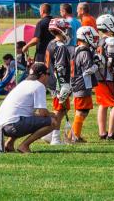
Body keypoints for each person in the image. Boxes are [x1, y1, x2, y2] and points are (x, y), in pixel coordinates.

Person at [0, 62, 61, 154]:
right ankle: (24, 146)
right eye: (48, 74)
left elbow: (27, 112)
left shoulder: (23, 83)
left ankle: (9, 144)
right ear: (42, 75)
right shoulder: (39, 86)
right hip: (12, 125)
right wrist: (53, 114)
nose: (48, 77)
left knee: (24, 118)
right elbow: (43, 113)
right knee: (53, 122)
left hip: (1, 126)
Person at [69, 25, 99, 143]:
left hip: (77, 83)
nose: (95, 40)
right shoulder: (84, 52)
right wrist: (97, 64)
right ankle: (74, 135)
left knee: (83, 110)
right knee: (81, 111)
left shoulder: (76, 49)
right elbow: (88, 70)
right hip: (81, 84)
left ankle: (73, 134)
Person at [94, 14, 114, 140]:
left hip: (99, 77)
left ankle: (102, 132)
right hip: (108, 78)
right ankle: (111, 133)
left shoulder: (98, 41)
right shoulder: (111, 41)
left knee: (103, 105)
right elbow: (113, 63)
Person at [46, 17, 72, 145]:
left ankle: (49, 134)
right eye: (66, 29)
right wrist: (63, 86)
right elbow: (60, 68)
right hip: (59, 83)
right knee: (59, 110)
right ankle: (54, 137)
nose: (67, 31)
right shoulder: (61, 47)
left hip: (51, 80)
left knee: (62, 109)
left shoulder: (51, 43)